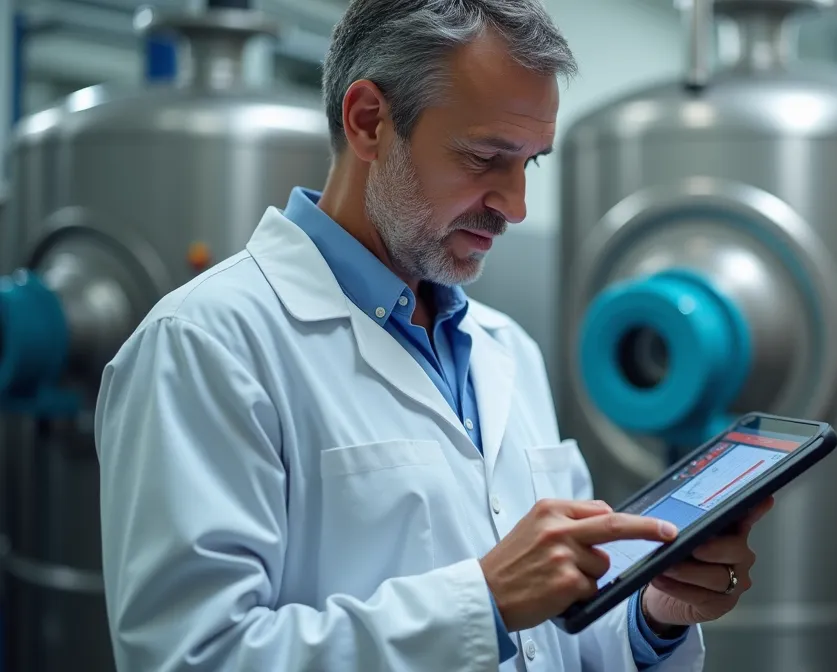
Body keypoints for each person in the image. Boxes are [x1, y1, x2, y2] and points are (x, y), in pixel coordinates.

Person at [92, 0, 773, 669]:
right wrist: (484, 604)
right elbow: (194, 655)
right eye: (485, 157)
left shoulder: (507, 348)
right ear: (369, 122)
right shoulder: (204, 345)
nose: (516, 206)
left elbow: (557, 636)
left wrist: (651, 615)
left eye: (530, 162)